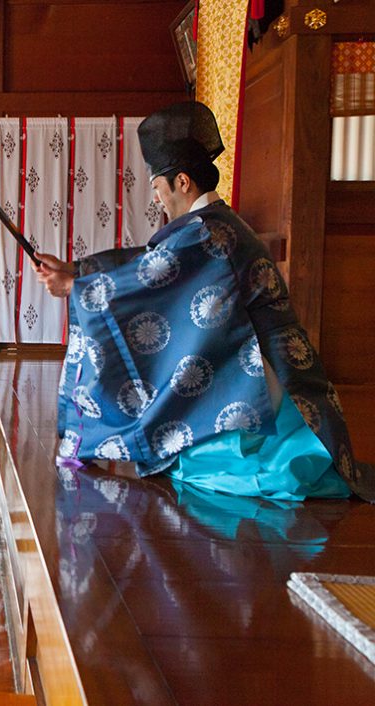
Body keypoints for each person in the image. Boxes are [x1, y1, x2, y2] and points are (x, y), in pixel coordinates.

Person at [34, 101, 374, 502]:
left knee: (197, 462)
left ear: (182, 182)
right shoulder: (211, 223)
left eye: (158, 188)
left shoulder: (209, 233)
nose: (157, 199)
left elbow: (152, 276)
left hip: (272, 372)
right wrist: (76, 269)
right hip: (265, 361)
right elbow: (147, 260)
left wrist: (78, 289)